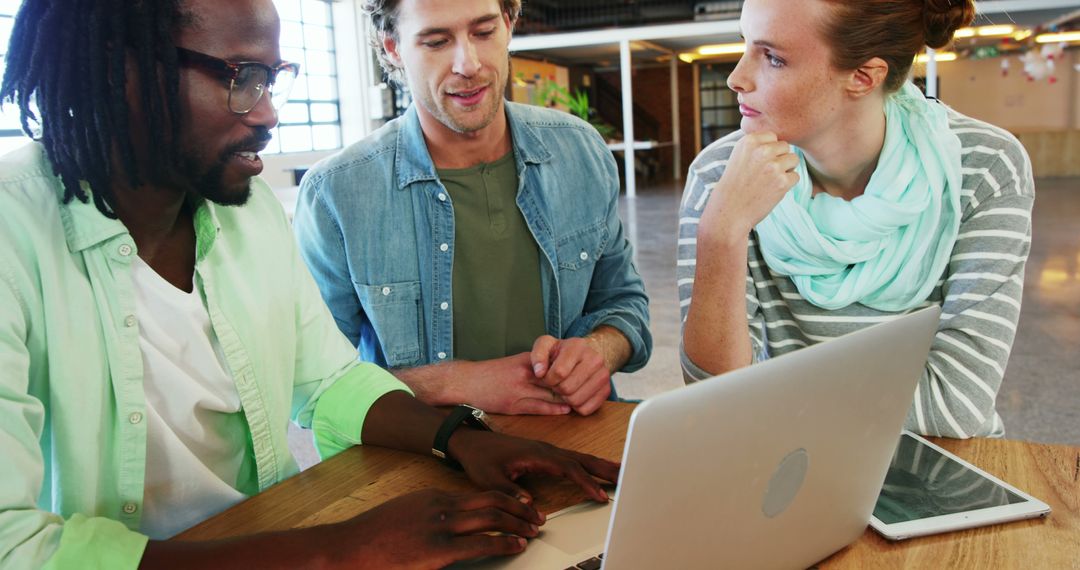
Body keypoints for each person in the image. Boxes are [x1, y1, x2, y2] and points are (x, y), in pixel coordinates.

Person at [0, 0, 620, 567]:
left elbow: (328, 382)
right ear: (122, 74)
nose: (268, 112)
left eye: (271, 79)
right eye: (242, 78)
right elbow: (14, 542)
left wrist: (460, 436)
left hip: (260, 537)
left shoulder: (248, 215)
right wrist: (335, 551)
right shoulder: (14, 234)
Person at [678, 0, 1034, 439]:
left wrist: (761, 399)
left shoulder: (982, 166)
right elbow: (713, 399)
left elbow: (954, 404)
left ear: (863, 77)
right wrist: (721, 233)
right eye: (745, 44)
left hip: (941, 470)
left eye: (772, 57)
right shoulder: (721, 175)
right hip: (784, 468)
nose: (736, 78)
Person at [293, 0, 652, 418]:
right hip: (428, 463)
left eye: (484, 33)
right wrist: (454, 383)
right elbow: (312, 383)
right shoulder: (338, 193)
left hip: (575, 441)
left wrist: (598, 351)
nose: (469, 64)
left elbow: (625, 303)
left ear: (509, 23)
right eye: (436, 41)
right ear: (392, 48)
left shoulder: (580, 152)